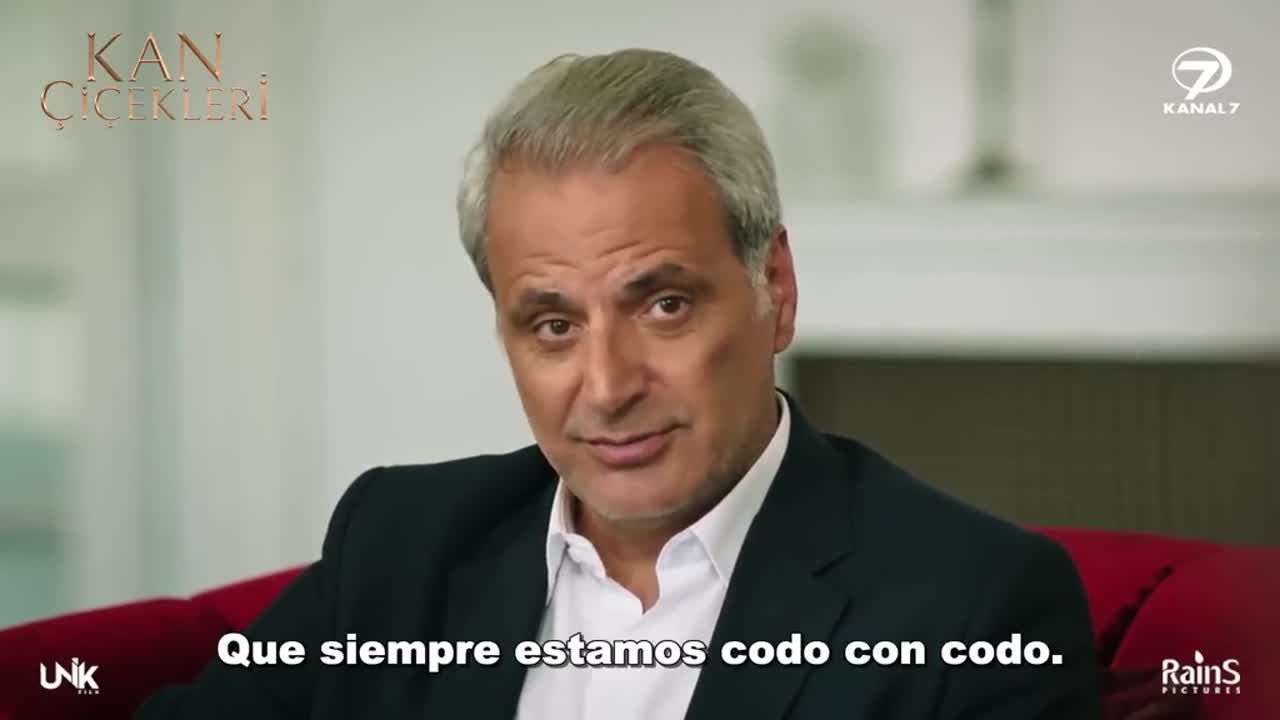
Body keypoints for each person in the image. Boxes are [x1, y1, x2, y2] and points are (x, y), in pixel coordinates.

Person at [135, 48, 1103, 719]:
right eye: (553, 325)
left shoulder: (975, 604)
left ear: (774, 288)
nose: (605, 387)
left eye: (663, 305)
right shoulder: (402, 541)